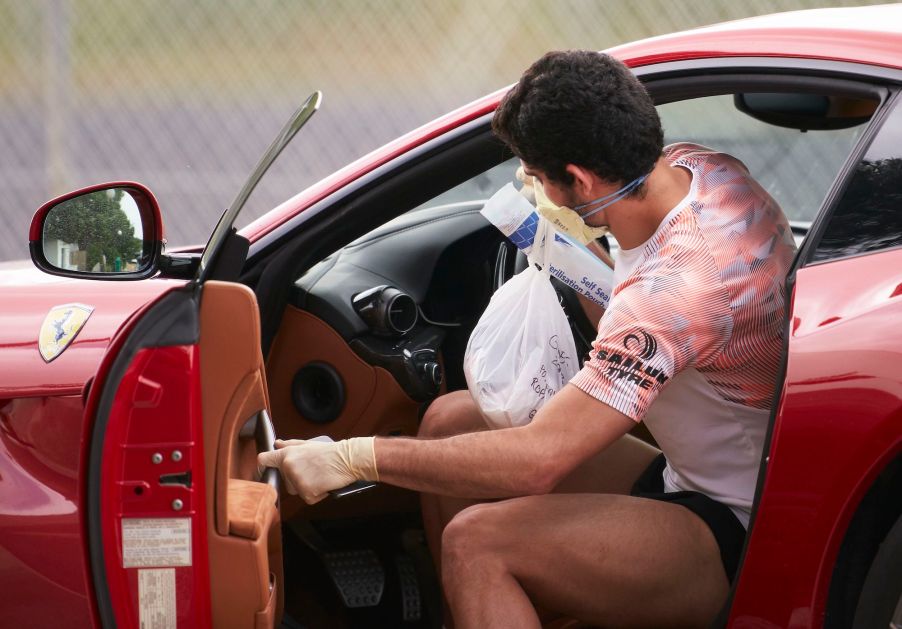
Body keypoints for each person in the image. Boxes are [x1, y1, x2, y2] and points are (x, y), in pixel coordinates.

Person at [259, 50, 797, 628]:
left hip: (740, 529)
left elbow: (538, 461)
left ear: (580, 179)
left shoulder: (676, 291)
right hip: (694, 474)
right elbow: (634, 310)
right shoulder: (702, 170)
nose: (533, 186)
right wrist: (562, 235)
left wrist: (353, 458)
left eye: (539, 177)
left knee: (476, 543)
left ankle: (486, 587)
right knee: (449, 420)